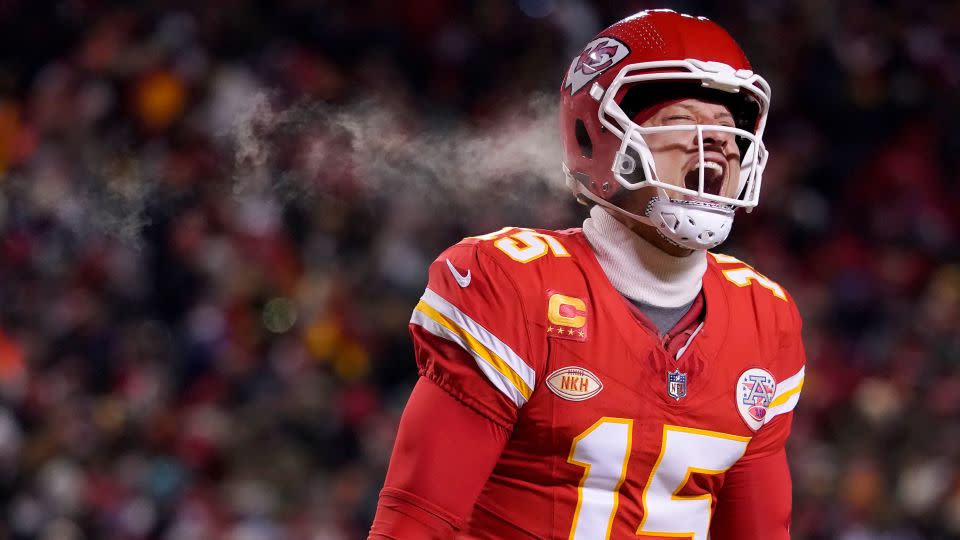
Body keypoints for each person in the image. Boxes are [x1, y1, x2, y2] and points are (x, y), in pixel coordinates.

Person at [369, 9, 805, 539]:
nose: (714, 144)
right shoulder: (514, 284)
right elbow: (417, 521)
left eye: (728, 130)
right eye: (680, 122)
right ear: (600, 140)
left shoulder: (764, 317)